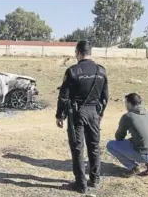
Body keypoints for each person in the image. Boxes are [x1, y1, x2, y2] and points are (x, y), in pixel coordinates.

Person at [56, 40, 109, 193]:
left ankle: (81, 184)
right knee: (94, 147)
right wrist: (100, 113)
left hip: (77, 113)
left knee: (78, 148)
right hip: (94, 112)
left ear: (77, 52)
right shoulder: (101, 71)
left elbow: (63, 97)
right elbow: (105, 97)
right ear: (90, 52)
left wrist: (60, 115)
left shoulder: (72, 71)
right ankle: (95, 179)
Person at [107, 93, 148, 177]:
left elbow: (119, 137)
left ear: (129, 103)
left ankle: (133, 168)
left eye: (125, 103)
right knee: (143, 143)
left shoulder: (128, 116)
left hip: (144, 156)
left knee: (110, 145)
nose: (125, 105)